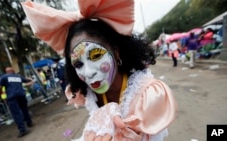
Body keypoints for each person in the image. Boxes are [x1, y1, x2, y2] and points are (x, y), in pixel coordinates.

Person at [22, 0, 177, 141]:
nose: (89, 73)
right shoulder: (90, 94)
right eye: (78, 65)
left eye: (96, 55)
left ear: (116, 52)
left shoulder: (148, 94)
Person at [0, 67, 33, 138]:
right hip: (21, 95)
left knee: (16, 113)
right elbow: (27, 80)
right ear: (13, 71)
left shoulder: (4, 77)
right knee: (25, 109)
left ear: (6, 72)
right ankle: (29, 122)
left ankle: (23, 130)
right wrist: (31, 81)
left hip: (12, 97)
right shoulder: (18, 76)